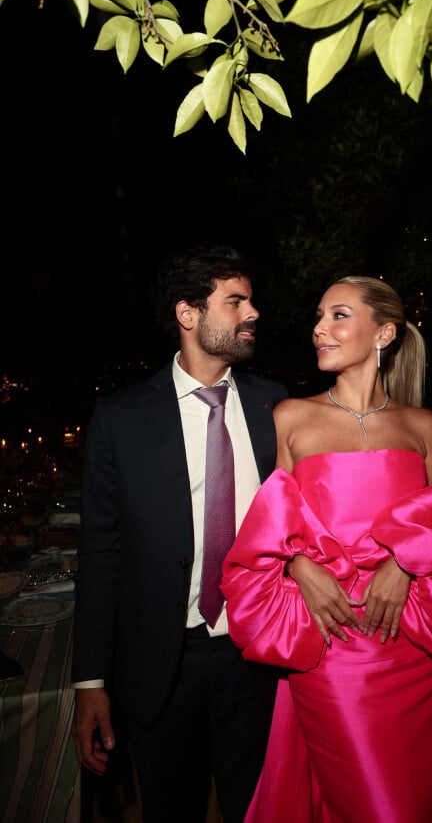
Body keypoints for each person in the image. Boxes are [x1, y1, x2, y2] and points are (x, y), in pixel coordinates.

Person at [222, 275, 432, 822]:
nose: (319, 328)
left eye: (338, 315)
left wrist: (406, 563)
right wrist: (299, 566)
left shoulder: (422, 426)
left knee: (420, 796)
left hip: (415, 643)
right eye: (319, 316)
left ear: (384, 332)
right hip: (330, 639)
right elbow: (265, 523)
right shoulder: (289, 418)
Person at [71, 245, 289, 823]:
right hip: (160, 662)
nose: (253, 313)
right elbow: (100, 552)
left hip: (259, 655)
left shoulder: (279, 406)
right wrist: (90, 680)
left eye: (251, 299)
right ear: (188, 314)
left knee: (263, 808)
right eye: (236, 301)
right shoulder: (121, 417)